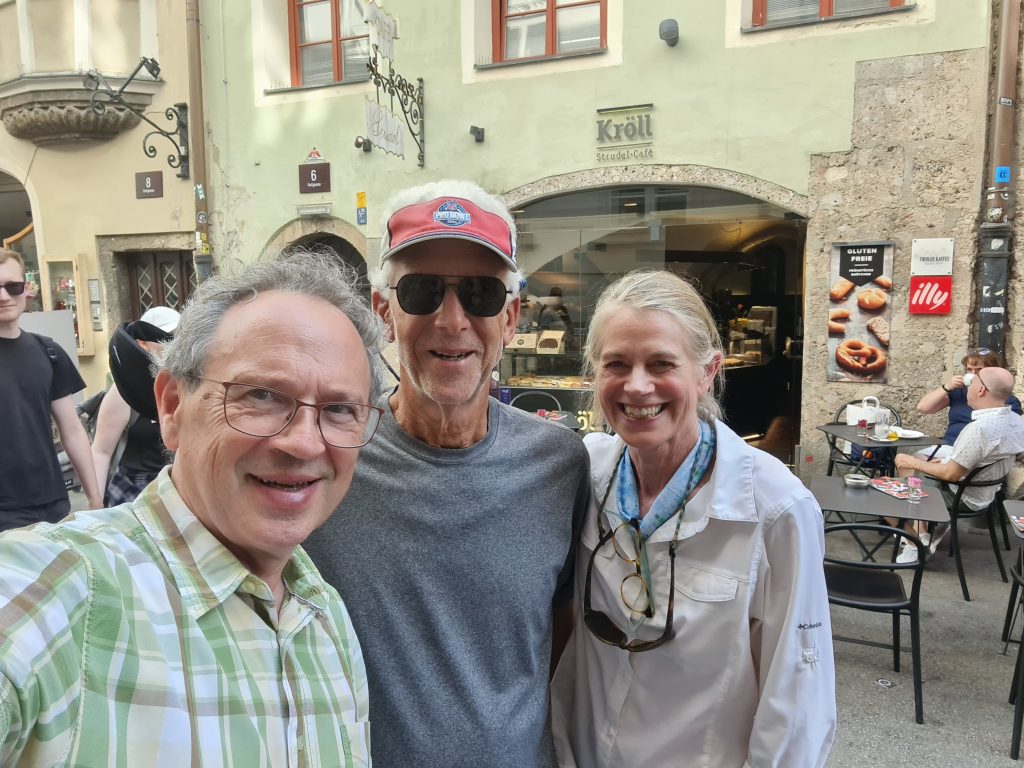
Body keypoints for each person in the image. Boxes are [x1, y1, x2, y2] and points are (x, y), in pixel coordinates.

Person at [0, 253, 384, 766]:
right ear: (172, 407)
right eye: (263, 395)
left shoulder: (325, 616)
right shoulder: (65, 590)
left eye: (340, 409)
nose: (304, 443)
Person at [303, 180, 590, 768]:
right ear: (384, 312)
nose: (452, 320)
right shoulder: (329, 452)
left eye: (481, 294)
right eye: (423, 290)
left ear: (510, 319)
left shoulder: (560, 463)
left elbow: (560, 636)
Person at [551, 270, 836, 768]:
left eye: (661, 363)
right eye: (616, 363)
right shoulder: (587, 471)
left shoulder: (775, 510)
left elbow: (798, 703)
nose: (637, 386)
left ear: (708, 372)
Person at [0, 248, 101, 531]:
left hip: (52, 505)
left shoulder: (48, 351)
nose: (4, 296)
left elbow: (72, 429)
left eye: (13, 286)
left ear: (26, 289)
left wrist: (95, 500)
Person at [895, 366, 1024, 564]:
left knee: (883, 491)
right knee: (918, 466)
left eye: (972, 382)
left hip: (961, 496)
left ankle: (916, 544)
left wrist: (912, 461)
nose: (967, 386)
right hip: (985, 492)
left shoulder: (978, 429)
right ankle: (924, 530)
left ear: (981, 390)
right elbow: (978, 462)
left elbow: (951, 475)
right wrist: (929, 464)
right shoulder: (1017, 421)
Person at [91, 305, 180, 505]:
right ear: (143, 344)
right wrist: (94, 506)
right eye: (167, 337)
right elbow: (101, 452)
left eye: (178, 337)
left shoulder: (185, 384)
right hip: (133, 491)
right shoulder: (125, 390)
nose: (174, 345)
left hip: (177, 488)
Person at [915, 348, 1022, 460]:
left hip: (979, 452)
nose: (973, 374)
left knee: (915, 462)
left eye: (978, 370)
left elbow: (1009, 433)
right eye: (969, 370)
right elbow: (923, 407)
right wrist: (946, 387)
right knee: (913, 459)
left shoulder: (1004, 399)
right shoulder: (959, 391)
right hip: (950, 445)